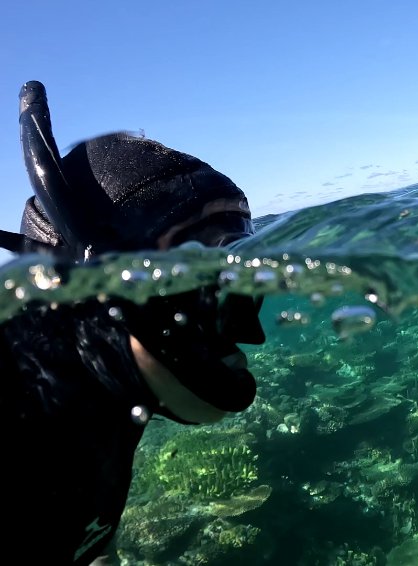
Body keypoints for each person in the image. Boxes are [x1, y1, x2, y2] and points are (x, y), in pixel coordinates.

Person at [0, 81, 266, 564]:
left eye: (243, 280)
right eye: (199, 277)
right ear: (79, 289)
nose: (253, 334)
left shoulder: (105, 395)